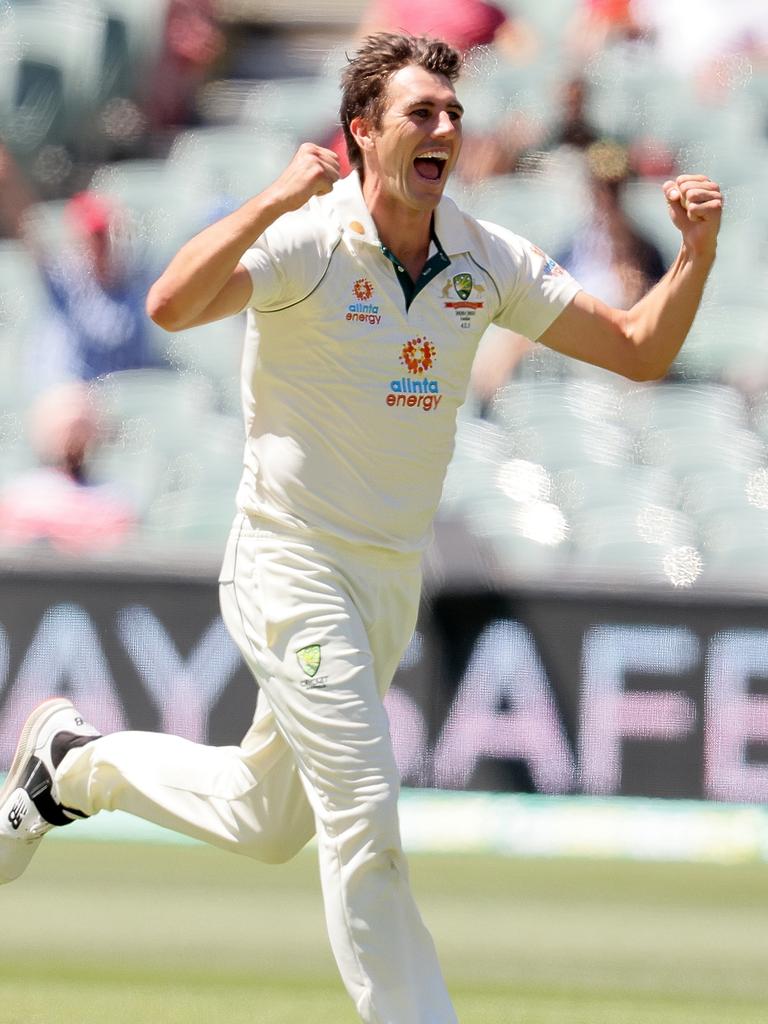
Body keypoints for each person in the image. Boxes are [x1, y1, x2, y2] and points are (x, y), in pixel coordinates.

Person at [0, 31, 722, 1023]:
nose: (444, 129)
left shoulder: (483, 256)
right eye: (420, 113)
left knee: (264, 820)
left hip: (383, 583)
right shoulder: (308, 237)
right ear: (361, 135)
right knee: (365, 824)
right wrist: (271, 199)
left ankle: (72, 764)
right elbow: (171, 303)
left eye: (453, 114)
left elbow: (639, 350)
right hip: (288, 563)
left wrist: (698, 254)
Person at [0, 144, 160, 394]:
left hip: (124, 402)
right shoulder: (66, 279)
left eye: (102, 237)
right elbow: (27, 229)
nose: (98, 246)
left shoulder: (135, 281)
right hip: (74, 398)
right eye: (90, 238)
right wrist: (9, 183)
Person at [0, 382, 135, 553]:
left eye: (81, 429)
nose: (73, 440)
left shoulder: (113, 499)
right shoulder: (18, 496)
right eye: (65, 429)